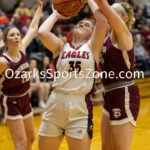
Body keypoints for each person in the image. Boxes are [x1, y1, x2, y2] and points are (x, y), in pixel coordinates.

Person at [38, 0, 107, 149]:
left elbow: (102, 20)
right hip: (55, 102)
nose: (82, 24)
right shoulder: (60, 46)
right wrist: (56, 14)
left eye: (87, 25)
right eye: (79, 23)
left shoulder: (93, 47)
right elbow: (42, 32)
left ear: (92, 34)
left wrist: (89, 0)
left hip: (79, 106)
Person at [95, 0, 140, 150]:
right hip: (109, 94)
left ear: (124, 18)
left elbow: (102, 4)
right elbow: (99, 12)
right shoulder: (107, 38)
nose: (108, 15)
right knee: (106, 147)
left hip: (124, 93)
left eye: (112, 12)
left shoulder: (124, 35)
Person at [0, 0, 43, 150]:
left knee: (31, 138)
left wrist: (39, 8)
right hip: (11, 101)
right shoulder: (3, 61)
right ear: (6, 40)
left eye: (18, 34)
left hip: (25, 98)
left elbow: (32, 28)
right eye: (12, 35)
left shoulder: (22, 48)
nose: (17, 37)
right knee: (21, 142)